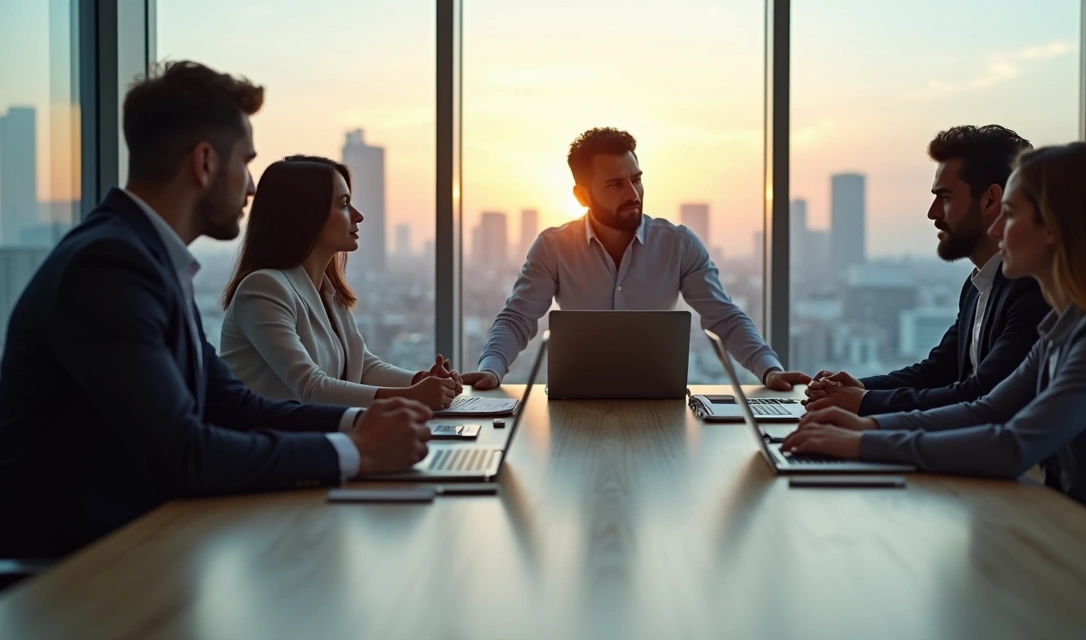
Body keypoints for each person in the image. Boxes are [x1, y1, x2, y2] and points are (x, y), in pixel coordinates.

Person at [0, 61, 432, 558]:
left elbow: (231, 404)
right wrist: (359, 451)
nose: (251, 187)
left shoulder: (146, 258)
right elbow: (184, 453)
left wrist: (359, 425)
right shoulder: (109, 266)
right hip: (73, 574)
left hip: (141, 548)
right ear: (204, 163)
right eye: (245, 162)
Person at [783, 143, 1086, 557]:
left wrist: (860, 444)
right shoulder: (1064, 325)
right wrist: (866, 428)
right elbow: (985, 411)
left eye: (1012, 214)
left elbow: (1012, 445)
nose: (998, 230)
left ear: (1054, 227)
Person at [460, 127, 810, 390]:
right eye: (615, 184)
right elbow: (518, 318)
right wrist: (492, 369)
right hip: (574, 406)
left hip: (660, 407)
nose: (632, 194)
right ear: (582, 195)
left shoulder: (679, 244)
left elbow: (725, 319)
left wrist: (770, 369)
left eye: (636, 179)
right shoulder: (553, 246)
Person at [805, 125, 1050, 416]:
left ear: (990, 200)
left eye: (945, 197)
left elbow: (983, 395)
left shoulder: (1032, 290)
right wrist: (858, 387)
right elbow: (936, 372)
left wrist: (863, 404)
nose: (932, 213)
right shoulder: (977, 287)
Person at [219, 155, 461, 410]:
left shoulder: (327, 290)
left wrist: (421, 381)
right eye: (344, 205)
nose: (358, 216)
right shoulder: (262, 288)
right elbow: (311, 387)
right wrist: (412, 395)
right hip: (269, 445)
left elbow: (363, 366)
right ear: (306, 214)